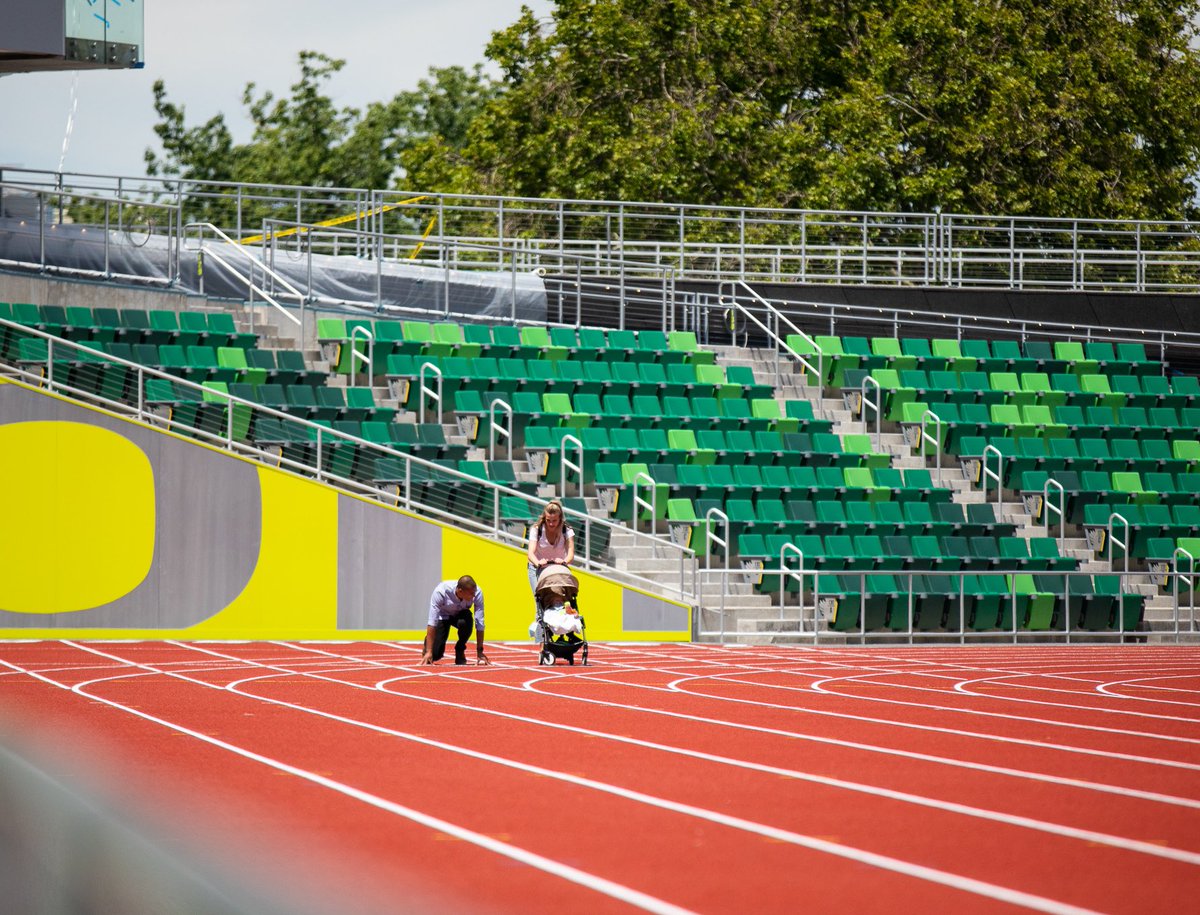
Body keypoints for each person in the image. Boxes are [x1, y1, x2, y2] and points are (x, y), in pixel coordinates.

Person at [422, 575, 489, 666]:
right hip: (443, 616)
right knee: (435, 655)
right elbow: (432, 622)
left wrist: (480, 651)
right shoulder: (441, 592)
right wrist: (429, 651)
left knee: (467, 620)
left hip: (460, 616)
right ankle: (428, 645)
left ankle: (460, 649)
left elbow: (480, 622)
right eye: (471, 594)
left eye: (474, 593)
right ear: (460, 591)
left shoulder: (477, 593)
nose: (474, 596)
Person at [526, 500, 575, 598]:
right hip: (537, 568)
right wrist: (538, 563)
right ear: (544, 518)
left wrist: (564, 562)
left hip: (557, 568)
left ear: (560, 519)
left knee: (560, 598)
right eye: (548, 520)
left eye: (554, 521)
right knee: (540, 600)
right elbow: (530, 553)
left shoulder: (567, 530)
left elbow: (571, 554)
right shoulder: (537, 529)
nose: (551, 524)